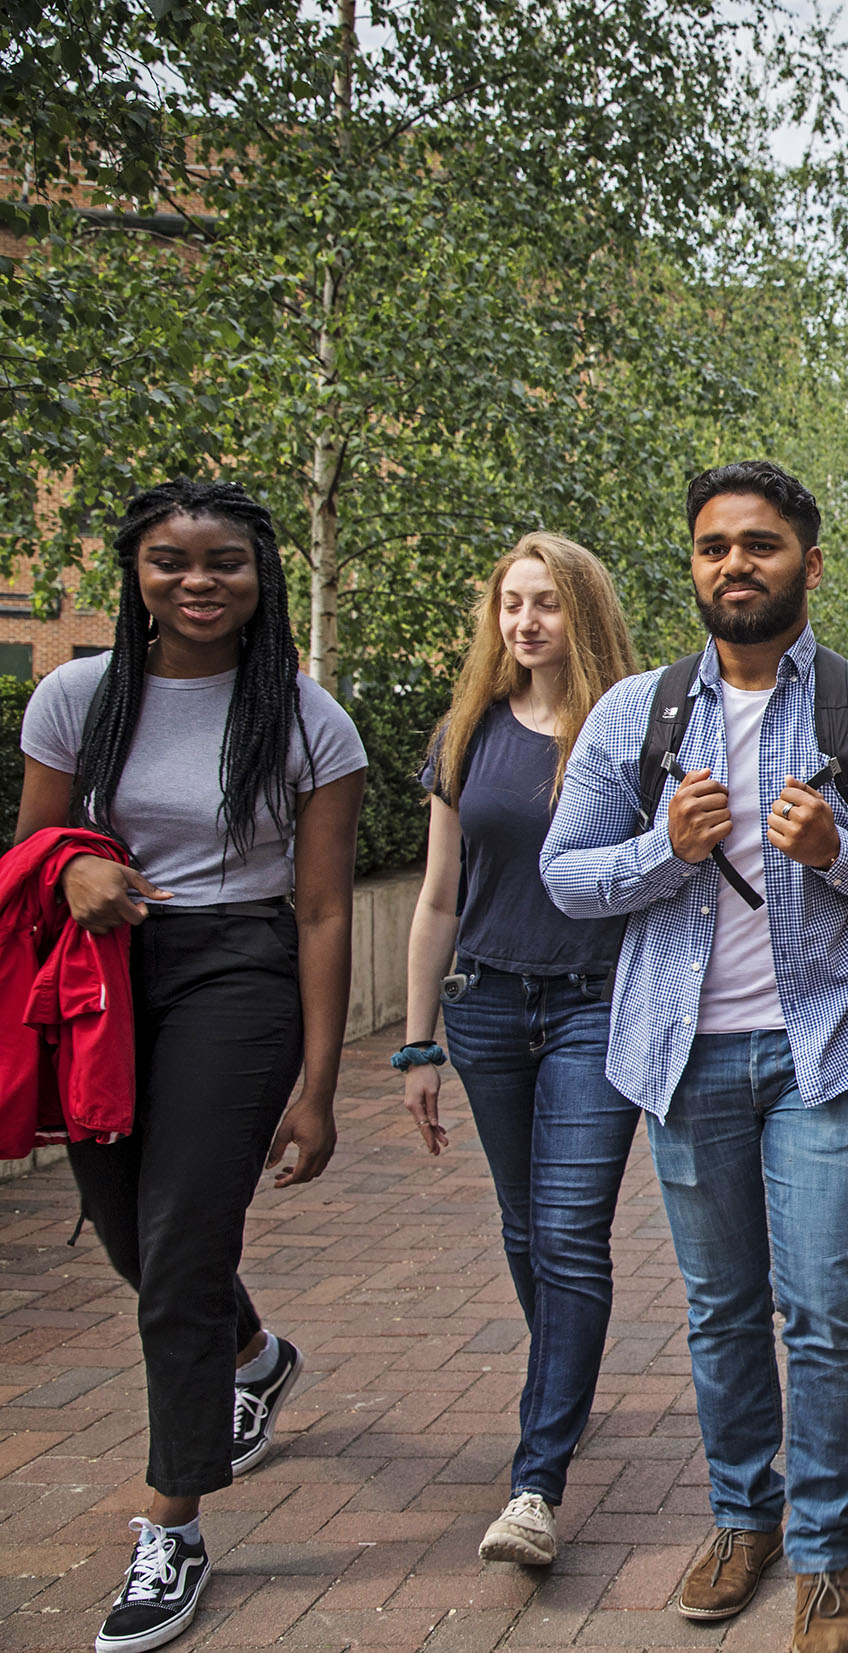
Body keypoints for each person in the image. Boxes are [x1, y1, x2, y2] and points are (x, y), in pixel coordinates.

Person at [540, 461, 848, 1653]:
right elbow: (568, 877)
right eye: (715, 546)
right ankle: (740, 1516)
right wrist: (663, 852)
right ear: (695, 565)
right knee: (719, 1312)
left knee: (824, 1306)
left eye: (761, 545)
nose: (736, 565)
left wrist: (840, 852)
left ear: (808, 566)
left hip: (829, 1050)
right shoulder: (635, 715)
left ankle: (823, 1553)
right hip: (684, 1052)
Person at [16, 480, 367, 1653]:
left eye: (223, 561)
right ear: (136, 573)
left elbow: (322, 909)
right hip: (107, 974)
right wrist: (72, 872)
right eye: (171, 561)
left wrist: (319, 1085)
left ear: (260, 575)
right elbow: (32, 848)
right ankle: (257, 1356)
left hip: (239, 970)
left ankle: (172, 1524)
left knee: (179, 1253)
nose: (197, 581)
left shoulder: (306, 719)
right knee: (125, 1231)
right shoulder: (79, 694)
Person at [398, 533, 641, 1567]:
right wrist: (417, 1044)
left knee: (570, 1235)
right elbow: (438, 895)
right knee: (522, 1229)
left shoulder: (629, 731)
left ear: (579, 613)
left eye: (544, 603)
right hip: (488, 1007)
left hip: (595, 1006)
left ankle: (535, 1483)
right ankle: (565, 1391)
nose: (523, 622)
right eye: (509, 604)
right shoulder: (467, 733)